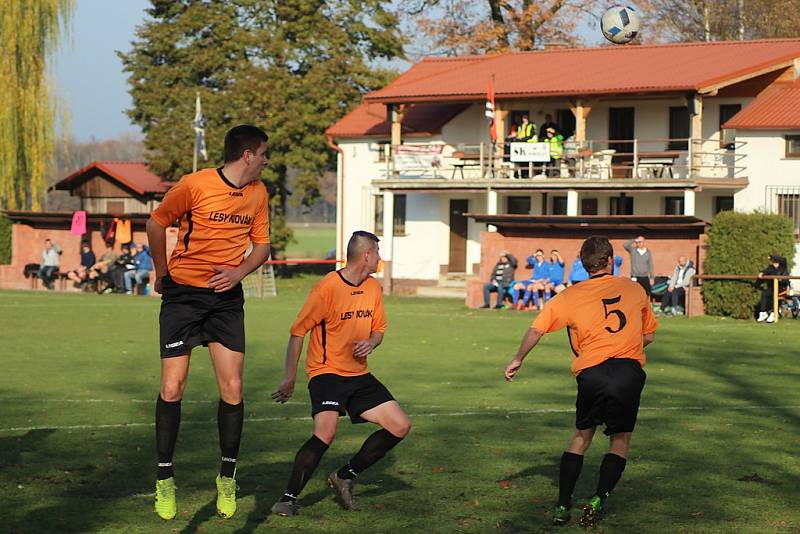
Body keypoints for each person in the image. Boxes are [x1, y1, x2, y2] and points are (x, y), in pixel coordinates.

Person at [146, 125, 271, 521]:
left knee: (233, 389)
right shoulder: (194, 185)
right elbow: (156, 223)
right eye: (264, 153)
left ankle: (227, 478)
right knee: (172, 386)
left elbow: (263, 247)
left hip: (226, 302)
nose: (268, 160)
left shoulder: (259, 193)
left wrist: (238, 274)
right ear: (247, 154)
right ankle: (165, 479)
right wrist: (161, 271)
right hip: (183, 298)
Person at [504, 236, 658, 528]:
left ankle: (563, 505)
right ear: (611, 260)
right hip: (628, 372)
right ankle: (599, 498)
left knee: (581, 436)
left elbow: (536, 330)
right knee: (620, 439)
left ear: (583, 264)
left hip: (592, 372)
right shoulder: (634, 288)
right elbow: (648, 335)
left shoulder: (569, 296)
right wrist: (626, 348)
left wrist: (518, 359)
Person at [270, 231, 411, 517]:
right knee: (326, 432)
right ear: (367, 255)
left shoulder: (373, 288)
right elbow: (298, 332)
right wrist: (289, 377)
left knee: (399, 426)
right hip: (327, 373)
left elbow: (379, 328)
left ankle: (344, 475)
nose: (380, 259)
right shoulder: (327, 288)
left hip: (358, 375)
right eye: (378, 254)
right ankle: (287, 498)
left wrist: (372, 342)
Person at [756, 253, 789, 323]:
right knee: (765, 294)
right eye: (773, 262)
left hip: (781, 288)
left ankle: (774, 313)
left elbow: (784, 259)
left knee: (776, 296)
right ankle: (763, 313)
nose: (774, 264)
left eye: (776, 262)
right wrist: (762, 273)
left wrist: (772, 256)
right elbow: (765, 271)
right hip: (772, 287)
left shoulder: (783, 267)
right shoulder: (770, 268)